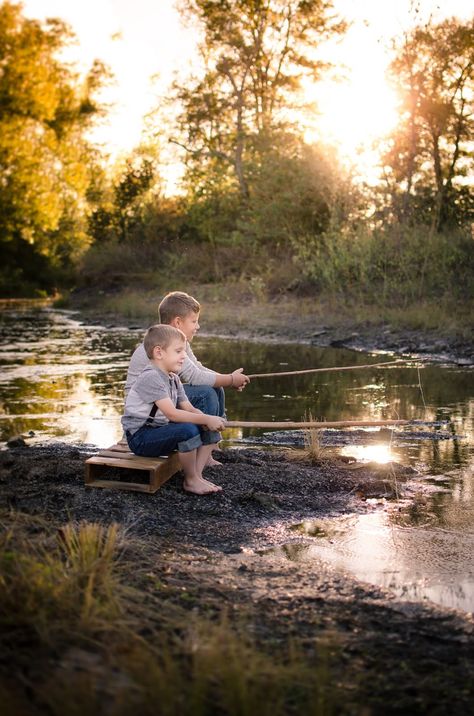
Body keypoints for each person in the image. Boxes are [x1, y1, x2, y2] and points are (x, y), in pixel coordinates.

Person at [124, 291, 250, 465]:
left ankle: (210, 443)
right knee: (206, 393)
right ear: (177, 322)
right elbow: (195, 376)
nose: (197, 326)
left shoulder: (179, 344)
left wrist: (227, 379)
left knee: (215, 388)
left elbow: (197, 367)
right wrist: (230, 379)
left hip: (163, 398)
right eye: (194, 321)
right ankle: (203, 448)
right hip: (148, 408)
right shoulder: (162, 347)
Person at [122, 324, 225, 495]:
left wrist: (206, 419)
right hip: (140, 438)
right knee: (187, 429)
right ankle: (191, 480)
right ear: (159, 352)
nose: (184, 356)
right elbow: (172, 414)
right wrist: (206, 419)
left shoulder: (173, 379)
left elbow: (189, 408)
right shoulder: (151, 377)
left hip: (157, 431)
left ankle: (196, 477)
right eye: (178, 351)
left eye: (184, 351)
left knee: (198, 423)